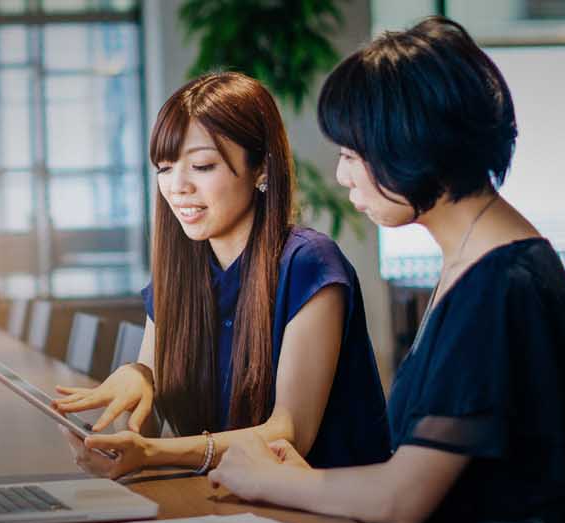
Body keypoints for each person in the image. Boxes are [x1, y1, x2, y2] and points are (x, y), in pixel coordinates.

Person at [206, 17, 565, 523]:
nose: (341, 175)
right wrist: (302, 480)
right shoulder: (488, 262)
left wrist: (263, 480)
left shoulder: (498, 286)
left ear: (411, 145)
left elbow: (402, 502)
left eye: (352, 154)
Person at [52, 72, 390, 479]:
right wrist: (137, 379)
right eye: (164, 167)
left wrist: (152, 452)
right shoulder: (179, 273)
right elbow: (145, 406)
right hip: (228, 503)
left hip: (328, 514)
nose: (177, 186)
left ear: (261, 168)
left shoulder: (308, 263)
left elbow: (289, 434)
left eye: (201, 165)